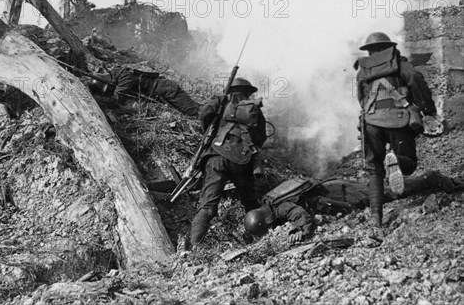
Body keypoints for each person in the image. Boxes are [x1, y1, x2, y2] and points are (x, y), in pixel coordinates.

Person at [355, 32, 437, 234]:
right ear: (388, 47)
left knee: (374, 169)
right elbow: (415, 78)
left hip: (371, 122)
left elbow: (360, 98)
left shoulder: (362, 70)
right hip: (397, 119)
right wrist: (428, 109)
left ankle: (376, 218)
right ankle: (397, 162)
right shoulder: (398, 63)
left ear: (370, 50)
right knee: (409, 165)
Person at [244, 171, 462, 240]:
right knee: (381, 189)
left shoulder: (280, 208)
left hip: (339, 192)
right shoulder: (269, 200)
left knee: (386, 193)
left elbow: (301, 215)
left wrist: (302, 231)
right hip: (331, 187)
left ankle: (431, 178)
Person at [189, 77, 267, 247]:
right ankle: (260, 240)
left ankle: (194, 247)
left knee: (208, 206)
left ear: (230, 89)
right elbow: (261, 137)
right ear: (248, 92)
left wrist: (212, 132)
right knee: (249, 201)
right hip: (242, 160)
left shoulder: (220, 101)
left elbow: (204, 114)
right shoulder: (253, 109)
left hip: (216, 155)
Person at [90, 63, 200, 117]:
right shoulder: (119, 73)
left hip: (166, 89)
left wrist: (102, 103)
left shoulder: (123, 76)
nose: (110, 90)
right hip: (161, 93)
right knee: (188, 113)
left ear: (108, 82)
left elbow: (118, 97)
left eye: (108, 89)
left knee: (193, 111)